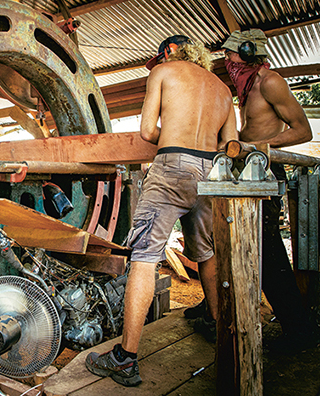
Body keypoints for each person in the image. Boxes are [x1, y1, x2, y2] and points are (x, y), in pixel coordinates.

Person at [85, 35, 238, 386]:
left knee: (144, 256)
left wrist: (174, 131)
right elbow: (229, 142)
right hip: (210, 171)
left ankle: (125, 358)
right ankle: (215, 326)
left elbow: (147, 130)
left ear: (168, 52)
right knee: (206, 252)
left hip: (172, 166)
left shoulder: (165, 72)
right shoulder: (222, 89)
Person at [223, 29, 318, 352]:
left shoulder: (271, 82)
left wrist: (262, 145)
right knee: (242, 245)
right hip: (246, 167)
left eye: (232, 55)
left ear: (249, 53)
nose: (227, 61)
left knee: (268, 253)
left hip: (265, 167)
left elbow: (302, 130)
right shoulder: (246, 87)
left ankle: (300, 330)